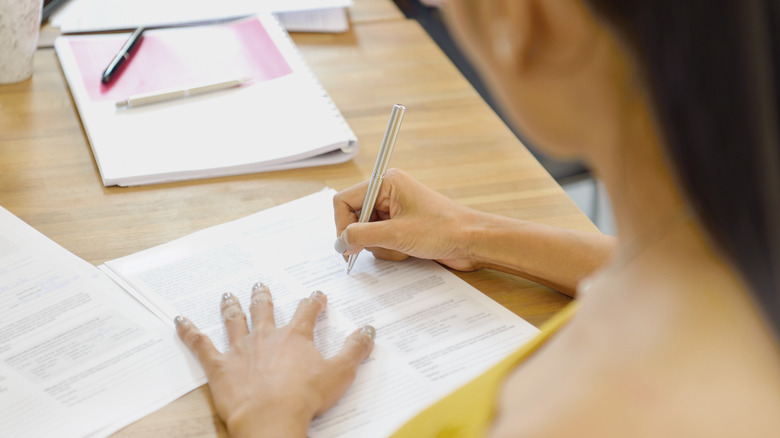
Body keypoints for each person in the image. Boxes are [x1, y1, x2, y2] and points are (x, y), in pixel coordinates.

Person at [174, 0, 780, 436]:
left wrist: (270, 417)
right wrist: (472, 235)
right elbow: (651, 267)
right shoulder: (719, 264)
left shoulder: (588, 413)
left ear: (521, 20)